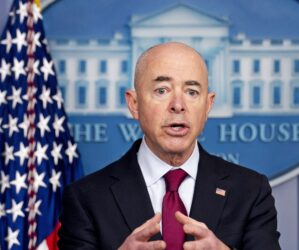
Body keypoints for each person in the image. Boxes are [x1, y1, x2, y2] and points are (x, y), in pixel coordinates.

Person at [58, 42, 281, 250]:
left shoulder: (250, 191)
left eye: (192, 92)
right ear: (134, 104)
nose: (177, 105)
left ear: (208, 105)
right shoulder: (86, 198)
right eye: (162, 90)